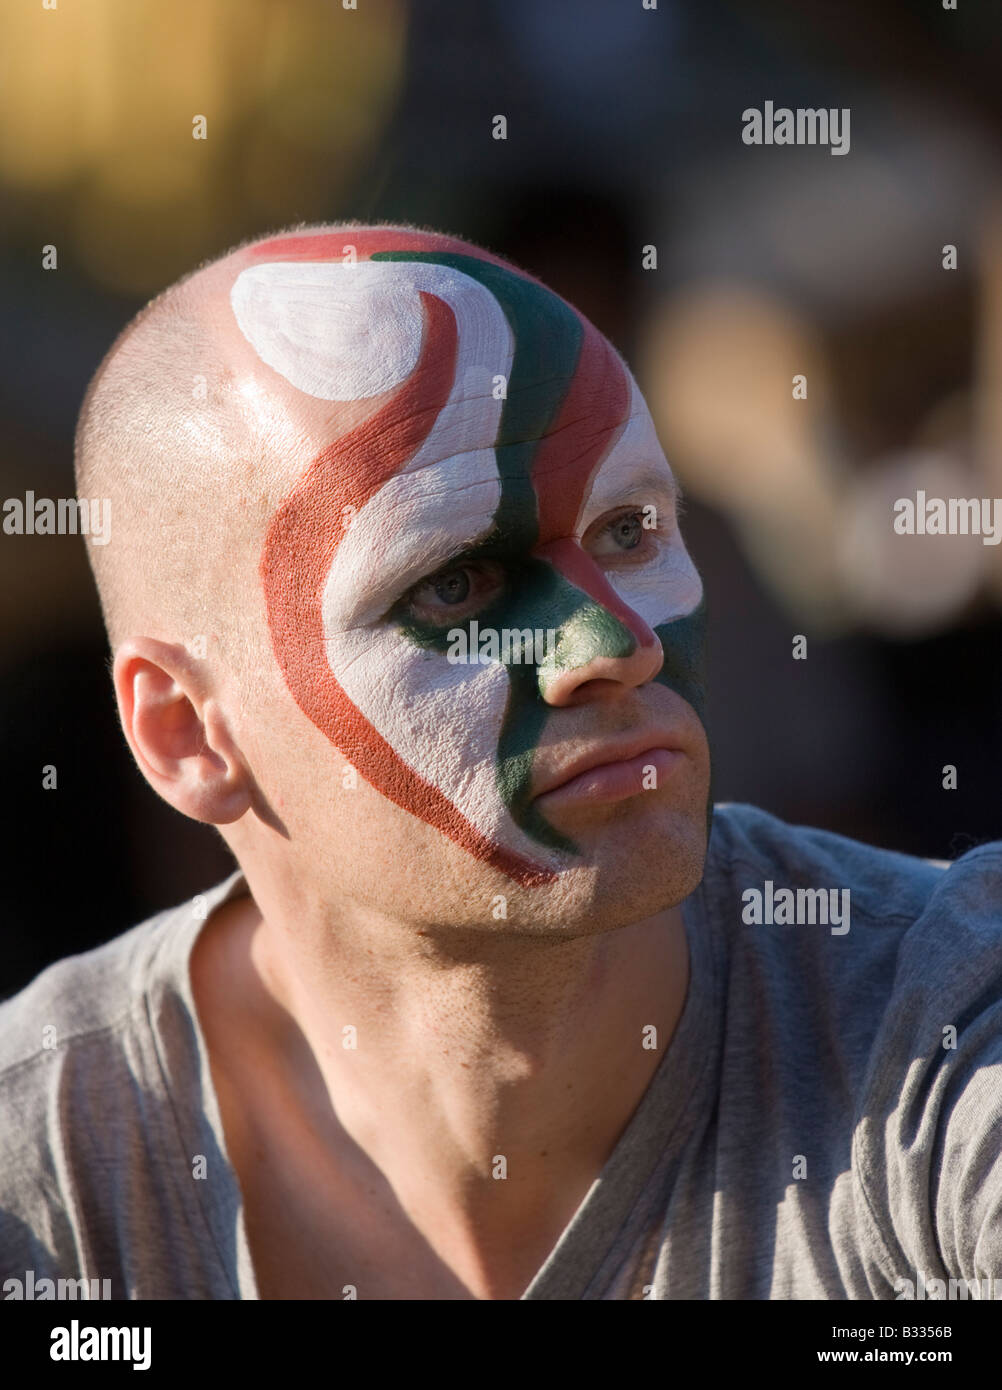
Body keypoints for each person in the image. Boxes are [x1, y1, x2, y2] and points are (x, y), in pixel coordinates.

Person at [1, 222, 1000, 1302]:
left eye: (626, 530)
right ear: (189, 735)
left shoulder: (944, 1026)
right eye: (455, 585)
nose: (617, 644)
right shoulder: (45, 1171)